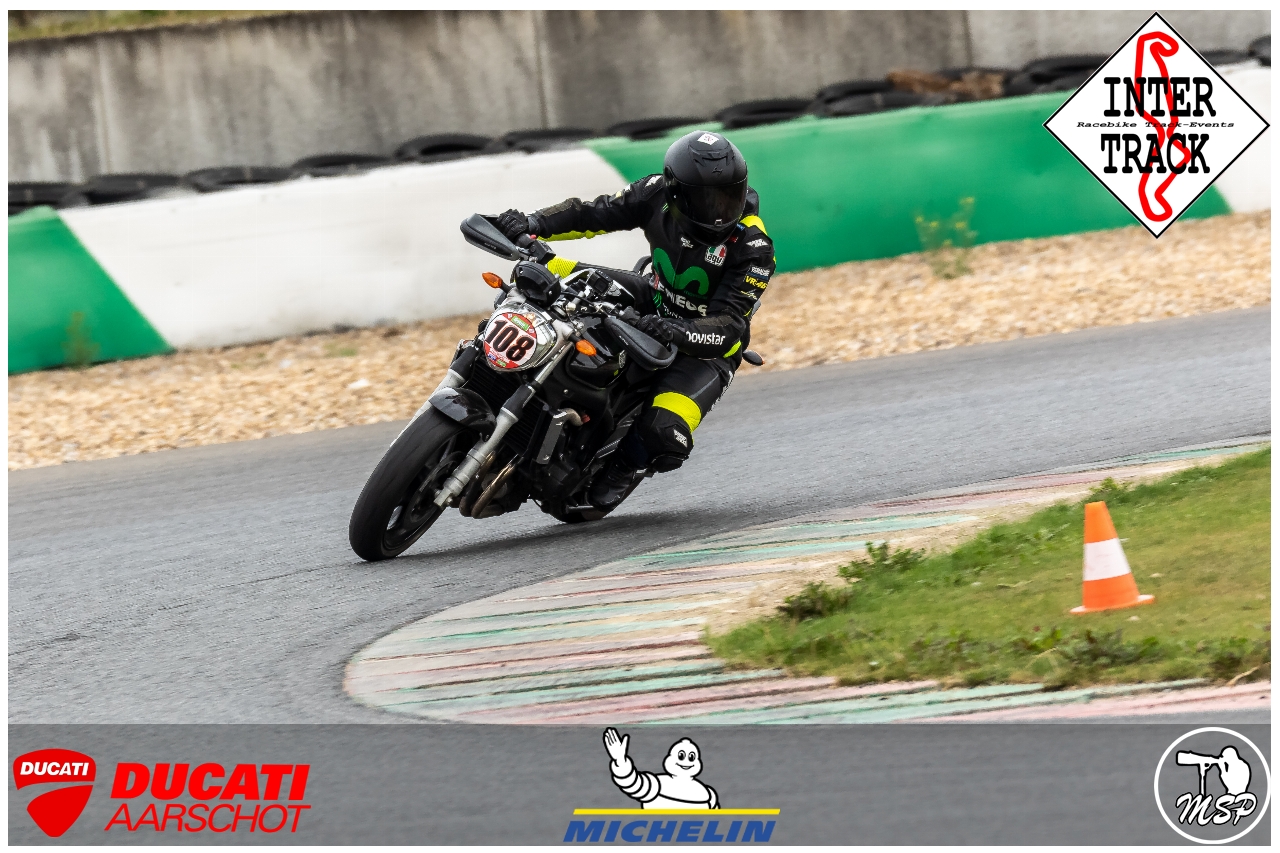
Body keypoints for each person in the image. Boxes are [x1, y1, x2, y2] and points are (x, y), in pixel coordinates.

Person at [495, 130, 776, 509]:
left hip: (708, 350)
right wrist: (534, 222)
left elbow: (729, 326)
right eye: (707, 200)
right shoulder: (654, 192)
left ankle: (625, 466)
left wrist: (673, 329)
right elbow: (593, 213)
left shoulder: (753, 246)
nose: (720, 212)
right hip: (653, 298)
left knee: (665, 432)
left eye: (729, 197)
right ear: (676, 193)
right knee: (553, 275)